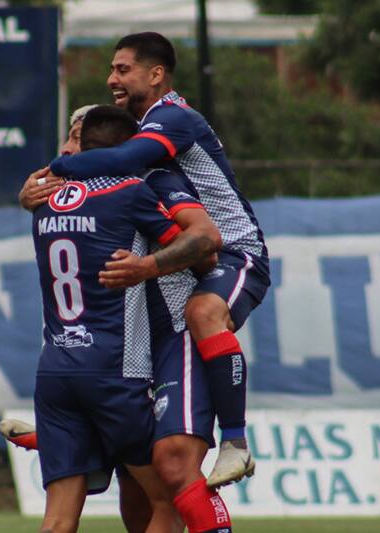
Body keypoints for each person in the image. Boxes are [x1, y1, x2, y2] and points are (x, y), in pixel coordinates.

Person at [49, 32, 271, 489]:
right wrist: (38, 191)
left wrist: (57, 170)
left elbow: (125, 157)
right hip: (183, 272)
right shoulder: (142, 131)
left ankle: (235, 441)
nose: (111, 79)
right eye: (111, 69)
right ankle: (78, 438)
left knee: (203, 312)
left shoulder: (172, 117)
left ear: (156, 74)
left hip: (235, 251)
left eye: (122, 69)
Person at [10, 106, 235, 533]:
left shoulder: (43, 202)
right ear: (128, 149)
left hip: (55, 372)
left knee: (57, 520)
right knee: (167, 498)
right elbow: (200, 253)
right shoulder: (132, 191)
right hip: (114, 370)